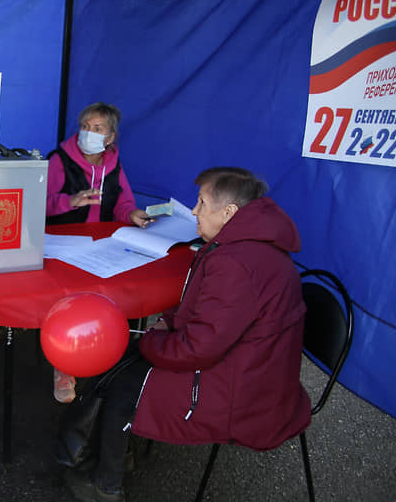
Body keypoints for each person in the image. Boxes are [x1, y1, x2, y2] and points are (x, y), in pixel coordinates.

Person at [60, 167, 312, 502]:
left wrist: (152, 339)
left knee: (126, 381)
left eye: (201, 202)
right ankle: (108, 455)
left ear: (229, 213)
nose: (193, 211)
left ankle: (105, 485)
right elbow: (206, 312)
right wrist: (167, 323)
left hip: (246, 389)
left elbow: (198, 349)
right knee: (127, 359)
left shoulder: (236, 261)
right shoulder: (243, 244)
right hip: (254, 368)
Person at [46, 102, 152, 404]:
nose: (88, 133)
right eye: (84, 126)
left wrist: (132, 215)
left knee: (111, 291)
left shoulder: (114, 164)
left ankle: (106, 350)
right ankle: (63, 364)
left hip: (100, 245)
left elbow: (124, 203)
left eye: (97, 129)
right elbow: (38, 204)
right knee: (67, 300)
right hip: (62, 244)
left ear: (110, 137)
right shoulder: (58, 160)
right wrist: (71, 201)